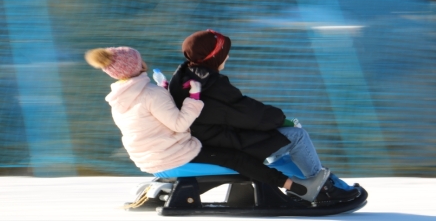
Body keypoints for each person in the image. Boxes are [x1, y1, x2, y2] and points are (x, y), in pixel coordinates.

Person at [84, 46, 330, 202]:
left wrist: (164, 90)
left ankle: (296, 185)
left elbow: (150, 119)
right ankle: (299, 188)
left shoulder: (119, 98)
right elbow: (179, 124)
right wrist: (194, 98)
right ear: (139, 65)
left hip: (148, 158)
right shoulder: (150, 93)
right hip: (174, 154)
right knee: (239, 159)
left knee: (230, 156)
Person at [168, 30, 360, 202]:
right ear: (215, 55)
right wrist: (281, 119)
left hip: (207, 138)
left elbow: (235, 114)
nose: (228, 56)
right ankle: (324, 189)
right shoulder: (212, 85)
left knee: (279, 140)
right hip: (223, 142)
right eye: (225, 52)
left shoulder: (184, 78)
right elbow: (249, 114)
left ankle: (311, 183)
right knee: (296, 136)